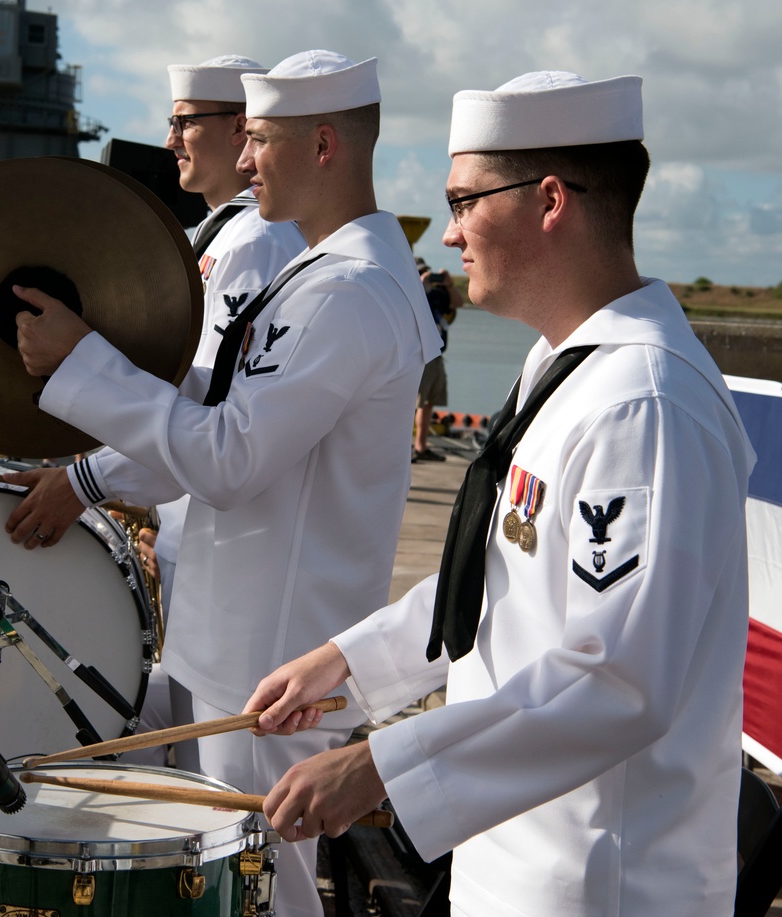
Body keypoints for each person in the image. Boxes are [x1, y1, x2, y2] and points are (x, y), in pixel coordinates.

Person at [242, 71, 755, 917]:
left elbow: (618, 679)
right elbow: (495, 581)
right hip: (509, 853)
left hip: (596, 881)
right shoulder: (563, 366)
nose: (448, 234)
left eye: (464, 201)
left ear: (548, 200)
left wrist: (382, 763)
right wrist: (348, 663)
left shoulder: (643, 403)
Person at [9, 50, 441, 917]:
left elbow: (229, 459)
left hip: (271, 656)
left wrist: (84, 364)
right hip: (242, 642)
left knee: (263, 893)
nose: (244, 159)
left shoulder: (348, 292)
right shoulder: (317, 274)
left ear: (323, 145)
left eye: (263, 139)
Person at [412, 258, 461, 462]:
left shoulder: (437, 294)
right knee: (414, 403)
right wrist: (419, 287)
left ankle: (421, 446)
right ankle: (406, 450)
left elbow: (457, 303)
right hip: (418, 355)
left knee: (428, 403)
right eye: (421, 273)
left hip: (436, 355)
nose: (427, 276)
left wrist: (448, 285)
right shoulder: (412, 294)